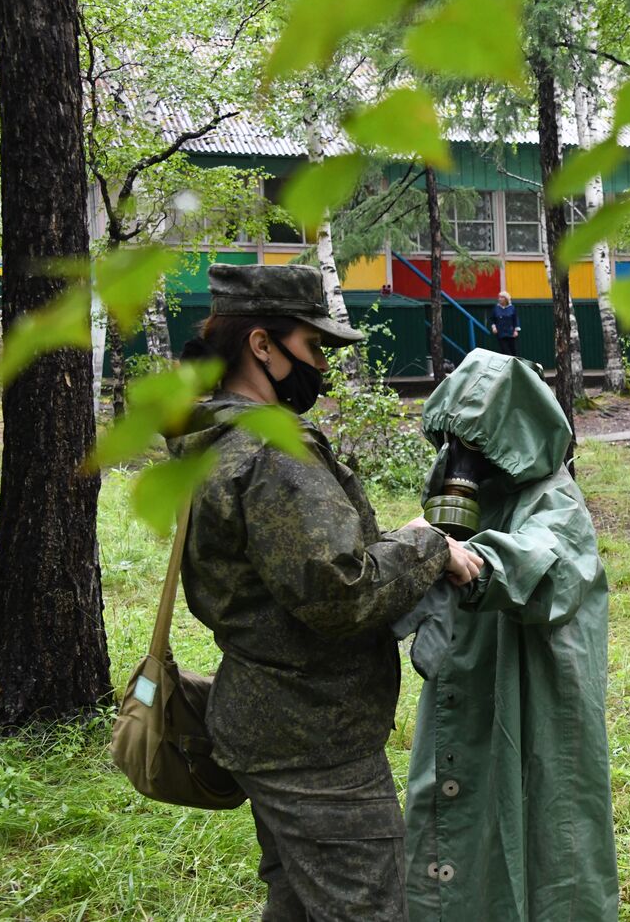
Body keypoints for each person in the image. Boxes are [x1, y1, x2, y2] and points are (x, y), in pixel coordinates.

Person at [170, 264, 483, 922]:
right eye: (312, 347)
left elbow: (286, 567)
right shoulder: (272, 451)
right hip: (314, 740)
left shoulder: (211, 432)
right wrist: (431, 548)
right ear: (262, 344)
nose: (320, 364)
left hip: (264, 718)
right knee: (369, 907)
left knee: (298, 901)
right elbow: (339, 592)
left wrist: (402, 538)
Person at [402, 348, 619, 921]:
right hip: (467, 682)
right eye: (457, 442)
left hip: (537, 696)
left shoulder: (554, 499)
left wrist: (465, 559)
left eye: (478, 441)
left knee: (547, 830)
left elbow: (540, 565)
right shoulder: (466, 495)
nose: (464, 460)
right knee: (459, 811)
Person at [487, 290, 521, 356]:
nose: (499, 299)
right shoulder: (496, 308)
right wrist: (494, 327)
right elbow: (492, 319)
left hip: (511, 333)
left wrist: (516, 331)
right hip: (501, 333)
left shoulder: (511, 308)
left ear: (506, 299)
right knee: (505, 351)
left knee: (513, 351)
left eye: (502, 297)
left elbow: (515, 319)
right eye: (499, 297)